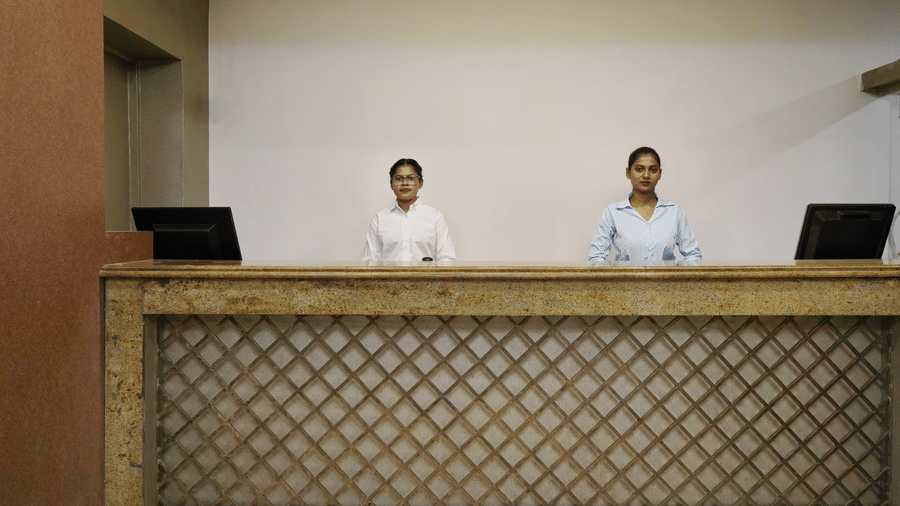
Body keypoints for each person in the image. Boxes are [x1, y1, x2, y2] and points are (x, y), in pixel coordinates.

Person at [589, 147, 701, 266]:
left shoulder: (674, 211)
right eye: (639, 169)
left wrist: (677, 276)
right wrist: (612, 281)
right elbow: (597, 257)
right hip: (625, 284)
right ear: (628, 172)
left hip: (665, 284)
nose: (646, 175)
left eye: (653, 170)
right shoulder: (613, 212)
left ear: (660, 174)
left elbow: (693, 255)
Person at [362, 158, 457, 262]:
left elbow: (448, 259)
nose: (404, 183)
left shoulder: (434, 217)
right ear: (391, 184)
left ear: (420, 183)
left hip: (425, 278)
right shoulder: (379, 219)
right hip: (389, 278)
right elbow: (369, 262)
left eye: (411, 178)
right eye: (398, 179)